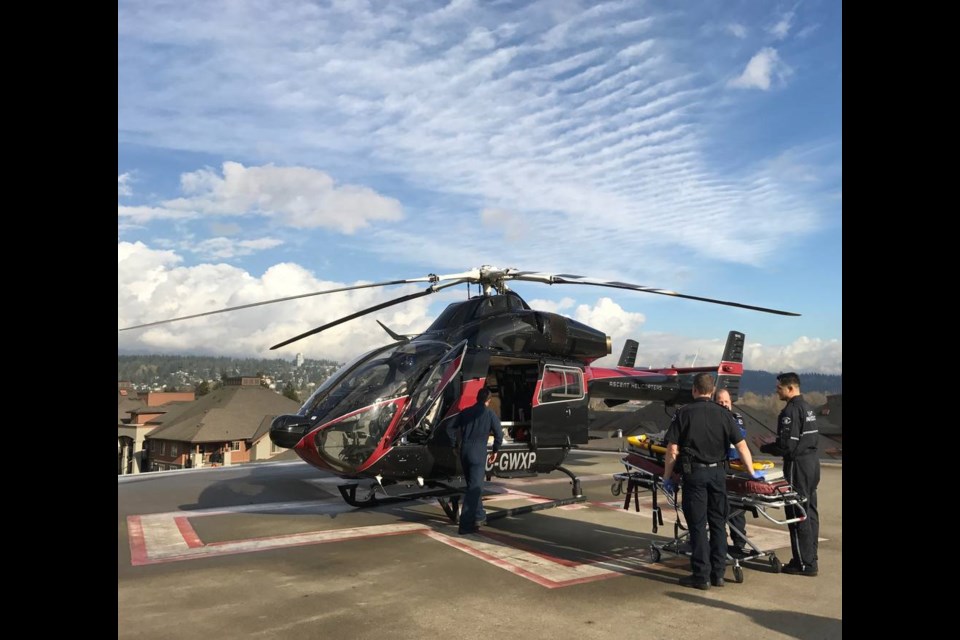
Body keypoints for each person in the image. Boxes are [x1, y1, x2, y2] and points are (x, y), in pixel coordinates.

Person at [662, 373, 757, 590]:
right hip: (718, 476)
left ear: (694, 390)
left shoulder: (683, 413)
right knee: (717, 524)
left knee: (697, 525)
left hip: (695, 475)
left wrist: (667, 477)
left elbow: (672, 449)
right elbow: (742, 446)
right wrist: (751, 473)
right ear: (712, 391)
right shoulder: (725, 415)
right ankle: (718, 574)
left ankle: (701, 575)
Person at [760, 372, 820, 576]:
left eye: (779, 388)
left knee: (797, 514)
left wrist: (766, 447)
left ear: (790, 388)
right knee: (810, 510)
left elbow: (787, 447)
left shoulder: (790, 411)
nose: (777, 391)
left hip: (798, 466)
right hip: (812, 464)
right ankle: (811, 556)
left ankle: (803, 563)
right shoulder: (808, 408)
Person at [447, 387, 503, 535]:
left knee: (473, 484)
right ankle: (465, 525)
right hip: (478, 451)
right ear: (488, 401)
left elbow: (449, 428)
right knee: (474, 489)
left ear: (477, 398)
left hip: (464, 450)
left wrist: (454, 444)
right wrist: (495, 451)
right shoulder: (489, 413)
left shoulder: (465, 412)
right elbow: (499, 434)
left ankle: (479, 515)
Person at [715, 388, 749, 557]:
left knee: (737, 508)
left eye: (726, 402)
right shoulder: (710, 418)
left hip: (734, 467)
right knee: (718, 507)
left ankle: (739, 542)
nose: (723, 405)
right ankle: (720, 541)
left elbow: (739, 436)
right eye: (720, 402)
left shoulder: (737, 418)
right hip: (718, 466)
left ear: (731, 403)